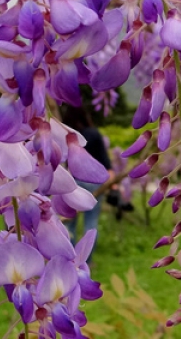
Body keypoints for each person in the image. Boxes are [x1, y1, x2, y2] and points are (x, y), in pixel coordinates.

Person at [62, 106, 116, 262]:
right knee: (91, 223)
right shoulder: (93, 133)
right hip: (94, 182)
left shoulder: (63, 134)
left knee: (69, 223)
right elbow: (106, 162)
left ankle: (69, 259)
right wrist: (112, 183)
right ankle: (86, 260)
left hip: (72, 183)